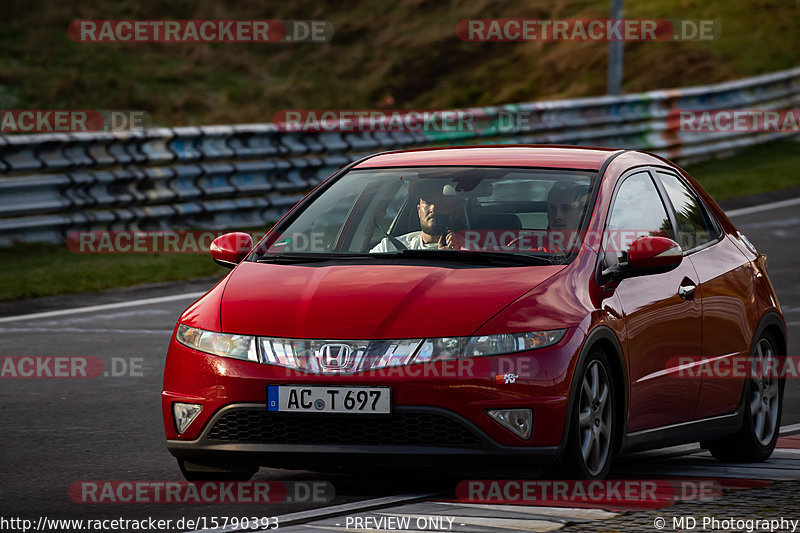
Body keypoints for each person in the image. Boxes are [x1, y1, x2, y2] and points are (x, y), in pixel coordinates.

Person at [371, 181, 459, 252]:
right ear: (419, 210)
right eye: (428, 202)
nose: (433, 208)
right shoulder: (389, 248)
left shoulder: (469, 249)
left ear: (455, 211)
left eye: (441, 203)